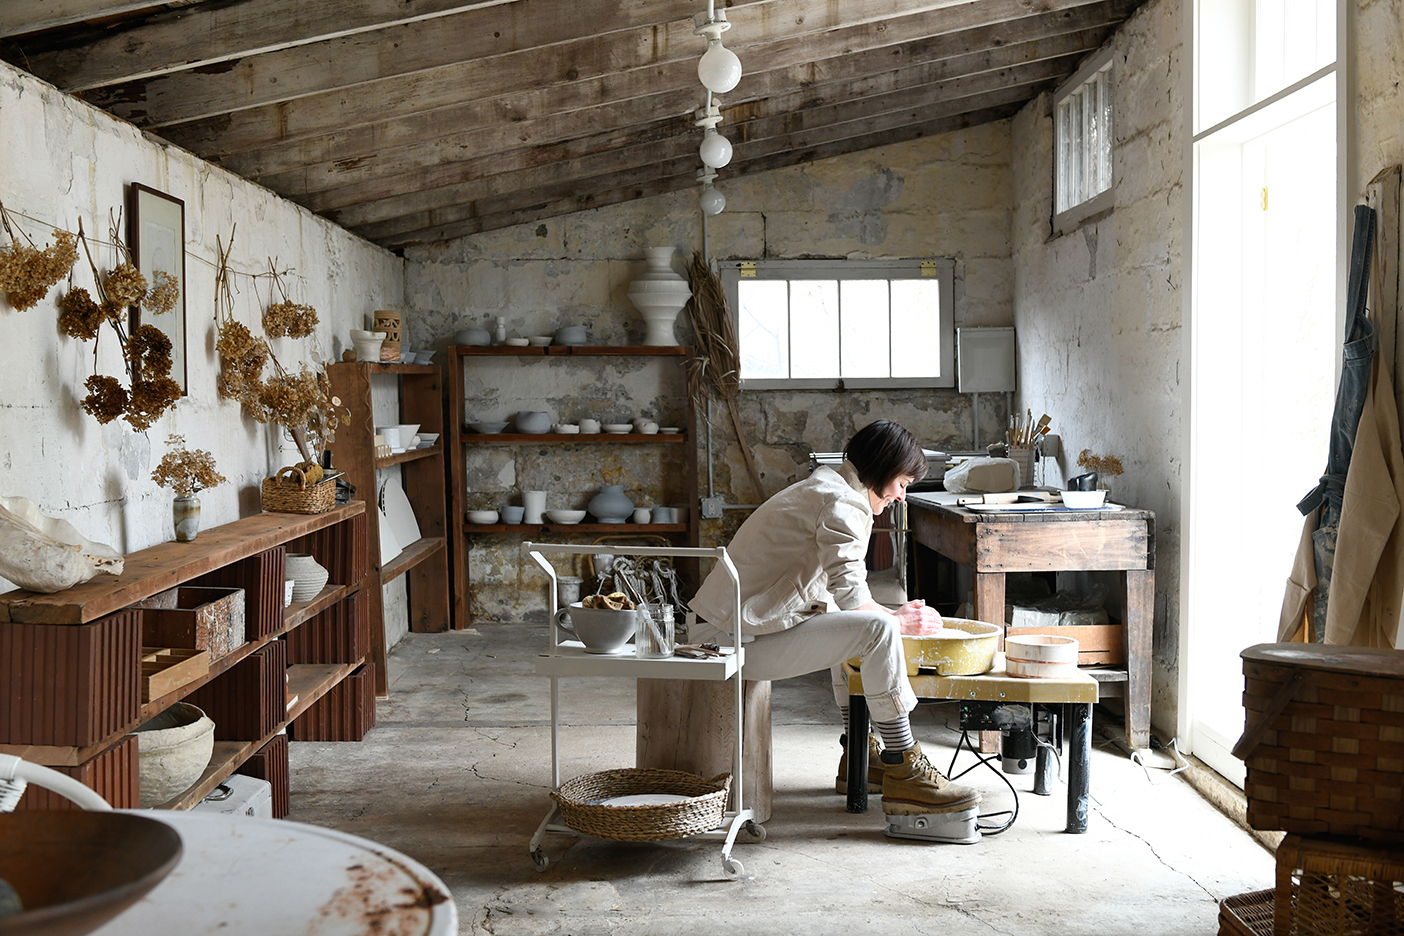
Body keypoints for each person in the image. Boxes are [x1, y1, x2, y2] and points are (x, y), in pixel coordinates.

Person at [689, 420, 980, 816]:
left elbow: (845, 601)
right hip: (723, 643)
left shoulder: (830, 488)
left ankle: (861, 754)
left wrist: (893, 614)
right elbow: (855, 601)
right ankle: (904, 767)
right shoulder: (844, 503)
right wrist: (897, 620)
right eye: (901, 484)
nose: (901, 496)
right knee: (877, 630)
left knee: (855, 624)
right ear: (880, 469)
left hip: (726, 630)